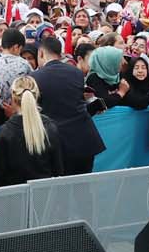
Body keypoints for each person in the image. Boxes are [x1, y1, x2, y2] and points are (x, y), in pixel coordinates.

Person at [30, 34, 105, 175]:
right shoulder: (76, 72)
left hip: (57, 143)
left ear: (40, 53)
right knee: (83, 188)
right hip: (83, 139)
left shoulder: (35, 78)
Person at [0, 75, 63, 187]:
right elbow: (58, 168)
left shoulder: (7, 131)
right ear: (37, 95)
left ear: (13, 98)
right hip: (45, 194)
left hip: (15, 196)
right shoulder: (50, 127)